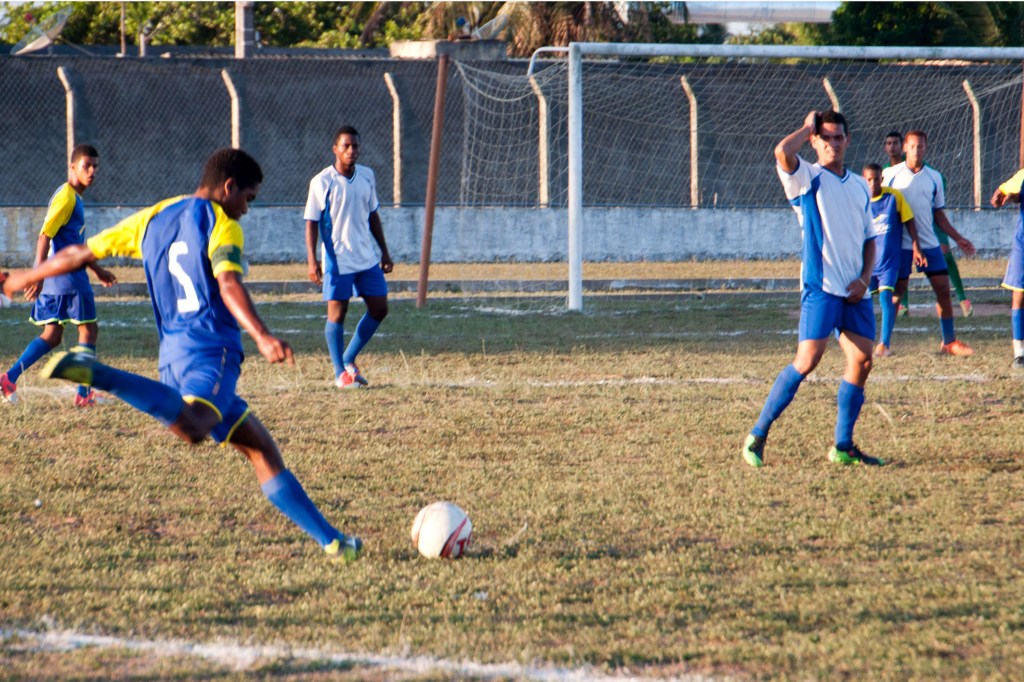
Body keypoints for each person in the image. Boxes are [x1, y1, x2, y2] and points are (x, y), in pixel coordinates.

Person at [2, 148, 362, 562]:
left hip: (173, 358)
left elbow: (78, 254)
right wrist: (262, 335)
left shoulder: (153, 217)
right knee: (193, 427)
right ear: (229, 187)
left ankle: (333, 542)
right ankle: (98, 374)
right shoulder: (222, 224)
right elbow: (228, 284)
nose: (246, 209)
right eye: (248, 198)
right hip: (212, 352)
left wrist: (26, 276)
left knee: (260, 448)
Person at [741, 110, 883, 468]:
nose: (833, 143)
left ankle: (842, 446)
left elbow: (870, 240)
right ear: (816, 142)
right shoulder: (806, 177)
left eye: (838, 137)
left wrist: (865, 278)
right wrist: (807, 127)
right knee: (807, 361)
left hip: (855, 290)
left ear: (847, 141)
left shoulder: (859, 186)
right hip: (821, 287)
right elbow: (781, 152)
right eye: (826, 138)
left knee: (863, 360)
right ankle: (757, 435)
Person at [1, 144, 117, 406]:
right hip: (68, 278)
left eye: (95, 166)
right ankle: (84, 395)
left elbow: (74, 244)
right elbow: (45, 235)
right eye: (87, 166)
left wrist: (97, 270)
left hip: (55, 278)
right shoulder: (67, 197)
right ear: (73, 167)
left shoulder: (71, 196)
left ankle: (9, 378)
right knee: (89, 330)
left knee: (52, 335)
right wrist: (37, 275)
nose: (92, 171)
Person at [304, 125, 393, 389]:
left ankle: (348, 358)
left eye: (355, 146)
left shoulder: (367, 176)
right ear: (336, 149)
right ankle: (339, 373)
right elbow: (311, 222)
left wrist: (384, 251)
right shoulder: (322, 182)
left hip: (365, 257)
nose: (351, 150)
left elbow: (372, 214)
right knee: (337, 312)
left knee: (379, 307)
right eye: (346, 146)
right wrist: (312, 260)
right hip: (338, 259)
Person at [883, 130, 976, 356]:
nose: (917, 150)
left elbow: (938, 214)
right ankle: (884, 344)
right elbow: (879, 207)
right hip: (901, 245)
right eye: (913, 146)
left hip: (928, 243)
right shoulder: (890, 175)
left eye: (921, 146)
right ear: (905, 148)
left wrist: (958, 238)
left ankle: (949, 342)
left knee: (943, 289)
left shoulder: (934, 177)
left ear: (926, 148)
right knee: (897, 293)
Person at [862, 163, 923, 357]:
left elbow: (909, 220)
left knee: (886, 298)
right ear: (864, 180)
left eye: (876, 179)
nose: (873, 183)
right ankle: (864, 340)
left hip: (889, 260)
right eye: (869, 180)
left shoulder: (893, 197)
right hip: (868, 262)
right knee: (864, 301)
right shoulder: (860, 200)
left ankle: (884, 344)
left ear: (882, 179)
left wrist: (916, 246)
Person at [991, 168, 1024, 368]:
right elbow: (1002, 193)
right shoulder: (1023, 176)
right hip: (1023, 244)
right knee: (1019, 294)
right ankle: (1019, 352)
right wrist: (1002, 196)